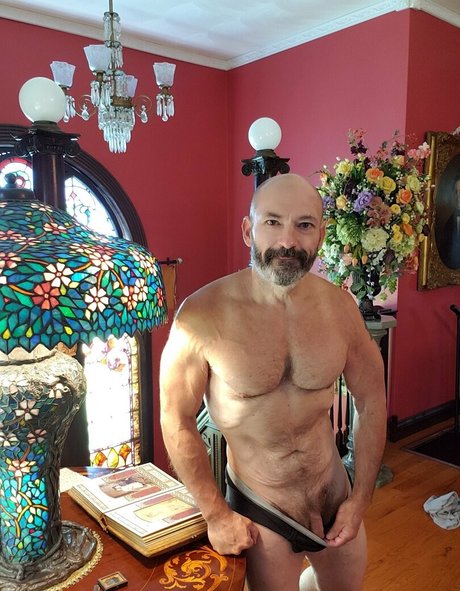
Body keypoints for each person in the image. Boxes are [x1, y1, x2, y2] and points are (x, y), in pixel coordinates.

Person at [160, 173, 387, 591]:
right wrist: (215, 514)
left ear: (320, 234)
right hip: (262, 506)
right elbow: (175, 417)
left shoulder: (341, 308)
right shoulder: (201, 315)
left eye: (304, 224)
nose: (287, 241)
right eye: (272, 222)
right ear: (248, 230)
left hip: (335, 495)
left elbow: (372, 400)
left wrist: (360, 499)